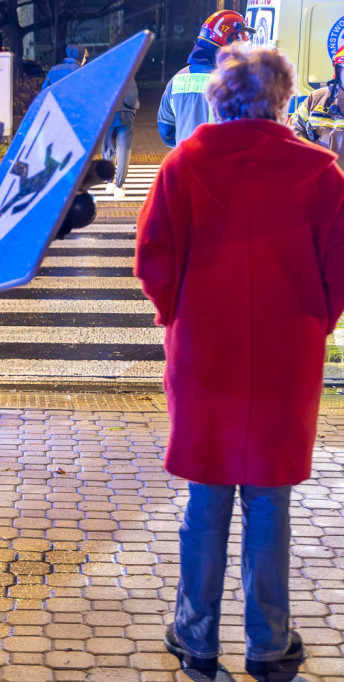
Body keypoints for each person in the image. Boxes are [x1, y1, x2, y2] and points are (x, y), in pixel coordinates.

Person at [136, 42, 344, 676]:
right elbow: (339, 271)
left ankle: (195, 636)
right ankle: (270, 642)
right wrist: (314, 323)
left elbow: (154, 260)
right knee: (270, 501)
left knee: (207, 500)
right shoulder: (320, 171)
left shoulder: (185, 163)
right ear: (283, 96)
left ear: (219, 96)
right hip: (286, 356)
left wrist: (177, 316)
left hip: (206, 354)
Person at [158, 10, 253, 148]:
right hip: (218, 166)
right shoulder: (233, 83)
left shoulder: (176, 80)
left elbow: (166, 129)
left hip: (184, 164)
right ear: (228, 44)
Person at [291, 46, 344, 168]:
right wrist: (308, 156)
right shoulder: (316, 98)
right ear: (338, 70)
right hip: (317, 178)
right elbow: (294, 129)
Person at [102, 78, 139, 199]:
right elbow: (132, 96)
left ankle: (109, 182)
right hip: (125, 113)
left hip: (108, 114)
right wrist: (134, 106)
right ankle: (119, 187)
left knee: (108, 148)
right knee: (124, 150)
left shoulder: (106, 74)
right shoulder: (128, 71)